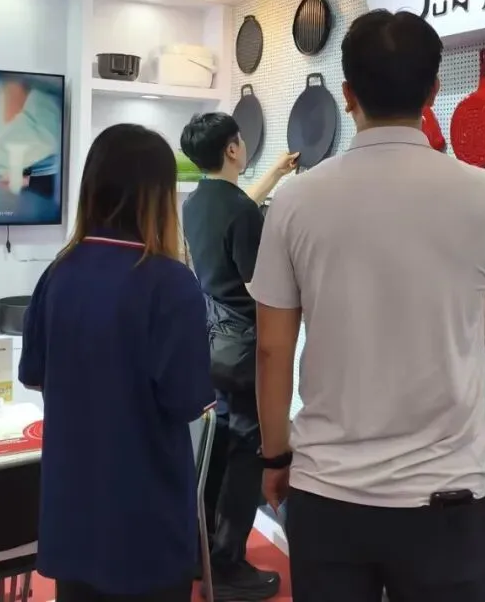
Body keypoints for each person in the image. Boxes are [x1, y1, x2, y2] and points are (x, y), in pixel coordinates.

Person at [249, 10, 485, 602]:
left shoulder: (295, 200)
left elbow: (271, 349)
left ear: (347, 95)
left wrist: (274, 457)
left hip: (328, 492)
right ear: (433, 91)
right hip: (446, 497)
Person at [18, 123, 215, 602]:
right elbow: (187, 401)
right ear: (158, 194)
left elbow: (35, 375)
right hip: (145, 521)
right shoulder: (171, 283)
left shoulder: (58, 273)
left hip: (73, 514)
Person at [180, 113, 298, 602]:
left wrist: (274, 173)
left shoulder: (196, 202)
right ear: (232, 150)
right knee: (248, 455)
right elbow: (259, 285)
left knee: (219, 444)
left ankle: (202, 552)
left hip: (214, 343)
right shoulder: (243, 213)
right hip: (247, 347)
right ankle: (227, 565)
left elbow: (234, 210)